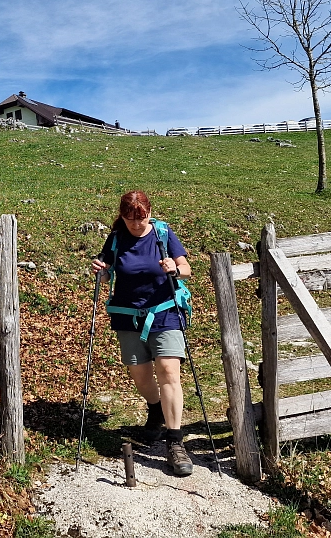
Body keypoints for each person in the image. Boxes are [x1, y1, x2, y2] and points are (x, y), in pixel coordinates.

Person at [91, 190, 194, 477]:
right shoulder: (115, 238)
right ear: (122, 215)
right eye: (130, 219)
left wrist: (175, 267)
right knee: (140, 374)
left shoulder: (162, 233)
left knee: (169, 372)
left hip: (165, 311)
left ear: (149, 212)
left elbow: (186, 269)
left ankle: (175, 443)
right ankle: (155, 409)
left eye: (141, 218)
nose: (136, 224)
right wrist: (101, 271)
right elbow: (107, 271)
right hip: (127, 315)